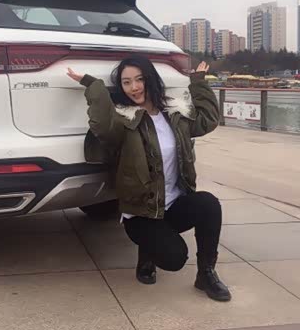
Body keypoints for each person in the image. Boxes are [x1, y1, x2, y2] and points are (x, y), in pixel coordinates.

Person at [66, 56, 231, 302]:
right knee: (174, 258)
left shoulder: (174, 115)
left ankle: (206, 274)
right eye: (126, 82)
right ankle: (148, 252)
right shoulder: (124, 120)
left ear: (150, 79)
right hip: (141, 213)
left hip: (172, 204)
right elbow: (102, 125)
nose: (134, 87)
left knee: (209, 205)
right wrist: (93, 85)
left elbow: (207, 119)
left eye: (139, 79)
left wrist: (198, 82)